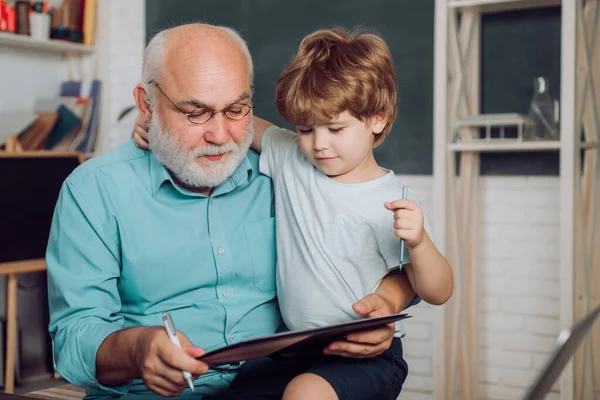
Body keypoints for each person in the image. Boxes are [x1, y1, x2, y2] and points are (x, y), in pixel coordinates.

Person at [46, 23, 418, 400]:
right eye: (196, 113)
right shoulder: (94, 190)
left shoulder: (289, 173)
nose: (221, 136)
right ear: (147, 104)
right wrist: (138, 349)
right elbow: (74, 342)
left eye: (236, 109)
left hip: (275, 384)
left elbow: (391, 259)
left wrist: (386, 303)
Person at [133, 27, 453, 400]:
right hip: (292, 349)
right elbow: (235, 127)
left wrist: (420, 241)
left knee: (305, 394)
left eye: (335, 128)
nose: (319, 143)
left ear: (377, 120)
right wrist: (158, 121)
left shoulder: (393, 197)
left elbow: (439, 291)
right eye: (305, 128)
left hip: (364, 358)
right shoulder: (291, 158)